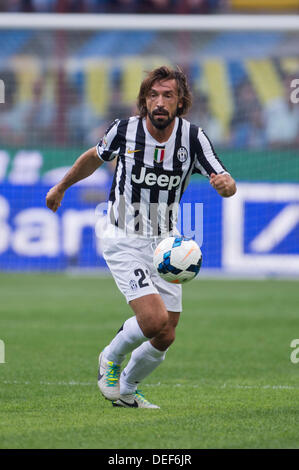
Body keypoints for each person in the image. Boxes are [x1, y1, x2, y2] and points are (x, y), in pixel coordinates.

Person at [46, 66, 236, 409]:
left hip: (166, 243)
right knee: (153, 320)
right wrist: (61, 186)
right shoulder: (124, 131)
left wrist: (226, 185)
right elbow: (94, 157)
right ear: (144, 101)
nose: (159, 102)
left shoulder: (193, 138)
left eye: (168, 95)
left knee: (166, 333)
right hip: (123, 237)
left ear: (181, 103)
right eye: (153, 95)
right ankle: (111, 358)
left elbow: (223, 177)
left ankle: (128, 390)